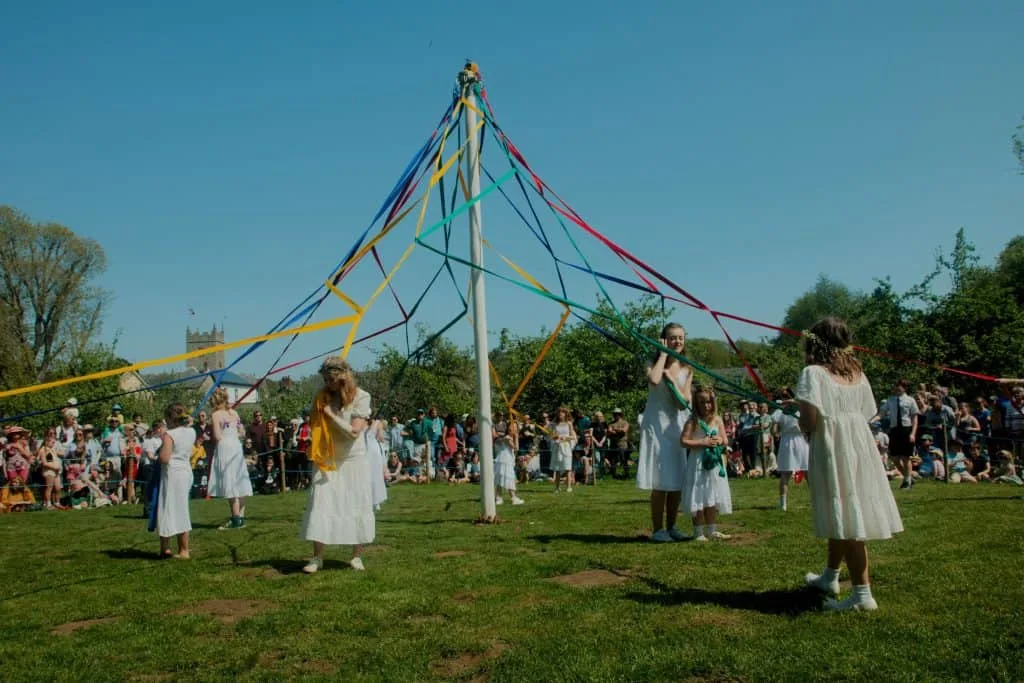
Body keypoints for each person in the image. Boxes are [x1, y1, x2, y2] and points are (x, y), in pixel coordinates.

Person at [796, 317, 903, 612]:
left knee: (848, 513)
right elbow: (868, 411)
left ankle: (862, 595)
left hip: (833, 445)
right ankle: (829, 577)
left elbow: (809, 419)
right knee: (842, 506)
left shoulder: (812, 373)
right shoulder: (857, 371)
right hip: (858, 444)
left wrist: (804, 425)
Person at [301, 357, 374, 574]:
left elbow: (353, 432)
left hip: (353, 459)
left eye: (330, 380)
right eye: (324, 379)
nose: (327, 384)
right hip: (328, 458)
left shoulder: (362, 397)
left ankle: (356, 556)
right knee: (320, 503)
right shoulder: (323, 396)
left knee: (356, 504)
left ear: (342, 379)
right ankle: (317, 557)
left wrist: (331, 415)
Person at [637, 323, 692, 543]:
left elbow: (684, 403)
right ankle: (658, 529)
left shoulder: (687, 368)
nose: (677, 342)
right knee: (660, 480)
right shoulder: (651, 363)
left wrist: (675, 382)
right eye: (672, 338)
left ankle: (672, 527)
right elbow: (654, 380)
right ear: (664, 340)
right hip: (656, 426)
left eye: (680, 338)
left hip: (676, 426)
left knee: (677, 480)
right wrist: (662, 355)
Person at [680, 386, 732, 541]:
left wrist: (719, 441)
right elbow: (683, 441)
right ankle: (698, 531)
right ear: (696, 403)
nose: (706, 405)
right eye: (702, 402)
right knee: (699, 494)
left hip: (714, 463)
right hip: (698, 462)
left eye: (709, 402)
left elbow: (725, 439)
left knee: (711, 493)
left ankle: (712, 529)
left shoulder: (717, 419)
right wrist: (702, 442)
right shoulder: (693, 421)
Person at [207, 388, 251, 530]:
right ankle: (240, 516)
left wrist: (209, 438)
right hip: (236, 446)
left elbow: (217, 436)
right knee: (238, 480)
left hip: (225, 447)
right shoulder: (234, 413)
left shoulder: (215, 415)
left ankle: (236, 518)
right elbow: (241, 431)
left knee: (230, 481)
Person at [157, 403, 195, 559]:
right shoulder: (191, 432)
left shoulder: (169, 435)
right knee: (179, 507)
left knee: (168, 507)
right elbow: (190, 423)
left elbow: (164, 458)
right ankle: (176, 549)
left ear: (169, 419)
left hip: (172, 473)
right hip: (185, 471)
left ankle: (176, 549)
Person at [876, 379, 920, 490]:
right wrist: (874, 419)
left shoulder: (910, 400)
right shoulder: (890, 400)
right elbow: (882, 413)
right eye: (896, 386)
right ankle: (908, 477)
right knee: (894, 457)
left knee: (906, 457)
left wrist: (913, 433)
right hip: (894, 429)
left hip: (906, 429)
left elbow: (915, 418)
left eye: (900, 386)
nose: (897, 388)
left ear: (905, 388)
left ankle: (907, 482)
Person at [772, 388, 809, 512]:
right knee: (786, 473)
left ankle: (814, 500)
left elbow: (774, 428)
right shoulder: (780, 410)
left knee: (807, 472)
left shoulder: (797, 408)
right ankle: (783, 504)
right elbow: (774, 427)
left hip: (798, 439)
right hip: (790, 439)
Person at [494, 414, 524, 506]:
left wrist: (516, 437)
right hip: (503, 459)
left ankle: (500, 497)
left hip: (508, 459)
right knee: (505, 477)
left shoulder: (512, 437)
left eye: (515, 427)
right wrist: (513, 439)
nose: (512, 429)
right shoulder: (506, 437)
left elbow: (516, 448)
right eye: (511, 427)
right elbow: (513, 447)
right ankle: (511, 498)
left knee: (506, 477)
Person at [551, 407, 577, 493]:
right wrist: (555, 437)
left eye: (562, 413)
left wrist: (565, 437)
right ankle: (557, 487)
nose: (560, 414)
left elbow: (573, 436)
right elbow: (551, 435)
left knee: (567, 467)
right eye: (559, 413)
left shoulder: (569, 423)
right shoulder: (555, 424)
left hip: (566, 446)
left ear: (565, 414)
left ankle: (569, 486)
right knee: (557, 468)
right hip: (557, 447)